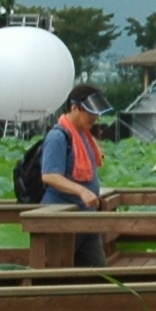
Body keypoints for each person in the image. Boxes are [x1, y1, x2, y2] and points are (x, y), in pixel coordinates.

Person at [36, 88, 116, 267]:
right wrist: (82, 191)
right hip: (62, 219)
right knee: (58, 275)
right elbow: (49, 175)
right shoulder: (58, 136)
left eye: (96, 113)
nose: (95, 118)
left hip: (86, 219)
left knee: (99, 274)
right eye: (90, 112)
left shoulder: (83, 135)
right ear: (74, 108)